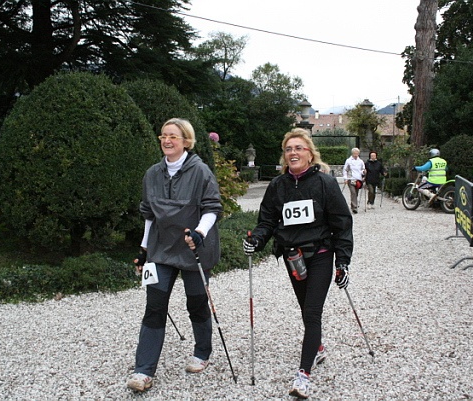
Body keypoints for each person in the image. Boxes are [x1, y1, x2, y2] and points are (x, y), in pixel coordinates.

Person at [242, 128, 353, 399]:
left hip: (321, 253)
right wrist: (256, 240)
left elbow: (342, 222)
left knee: (313, 312)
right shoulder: (277, 186)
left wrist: (343, 262)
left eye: (299, 148)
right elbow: (267, 221)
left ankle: (303, 375)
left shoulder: (325, 183)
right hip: (293, 256)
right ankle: (318, 347)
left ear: (310, 154)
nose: (293, 152)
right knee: (306, 308)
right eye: (289, 149)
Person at [127, 118, 223, 392]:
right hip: (161, 249)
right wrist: (144, 249)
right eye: (163, 136)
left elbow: (212, 208)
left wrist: (199, 233)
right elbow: (149, 216)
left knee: (196, 303)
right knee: (155, 306)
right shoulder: (152, 174)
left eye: (173, 136)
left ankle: (202, 352)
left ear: (186, 141)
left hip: (193, 247)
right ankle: (143, 371)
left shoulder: (201, 171)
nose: (167, 141)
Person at [343, 147, 366, 214]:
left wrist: (363, 172)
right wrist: (345, 178)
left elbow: (362, 170)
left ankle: (353, 205)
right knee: (353, 192)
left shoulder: (360, 161)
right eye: (354, 153)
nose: (356, 155)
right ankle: (355, 207)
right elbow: (345, 170)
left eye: (357, 153)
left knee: (356, 193)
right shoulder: (348, 161)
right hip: (351, 179)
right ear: (352, 153)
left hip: (358, 179)